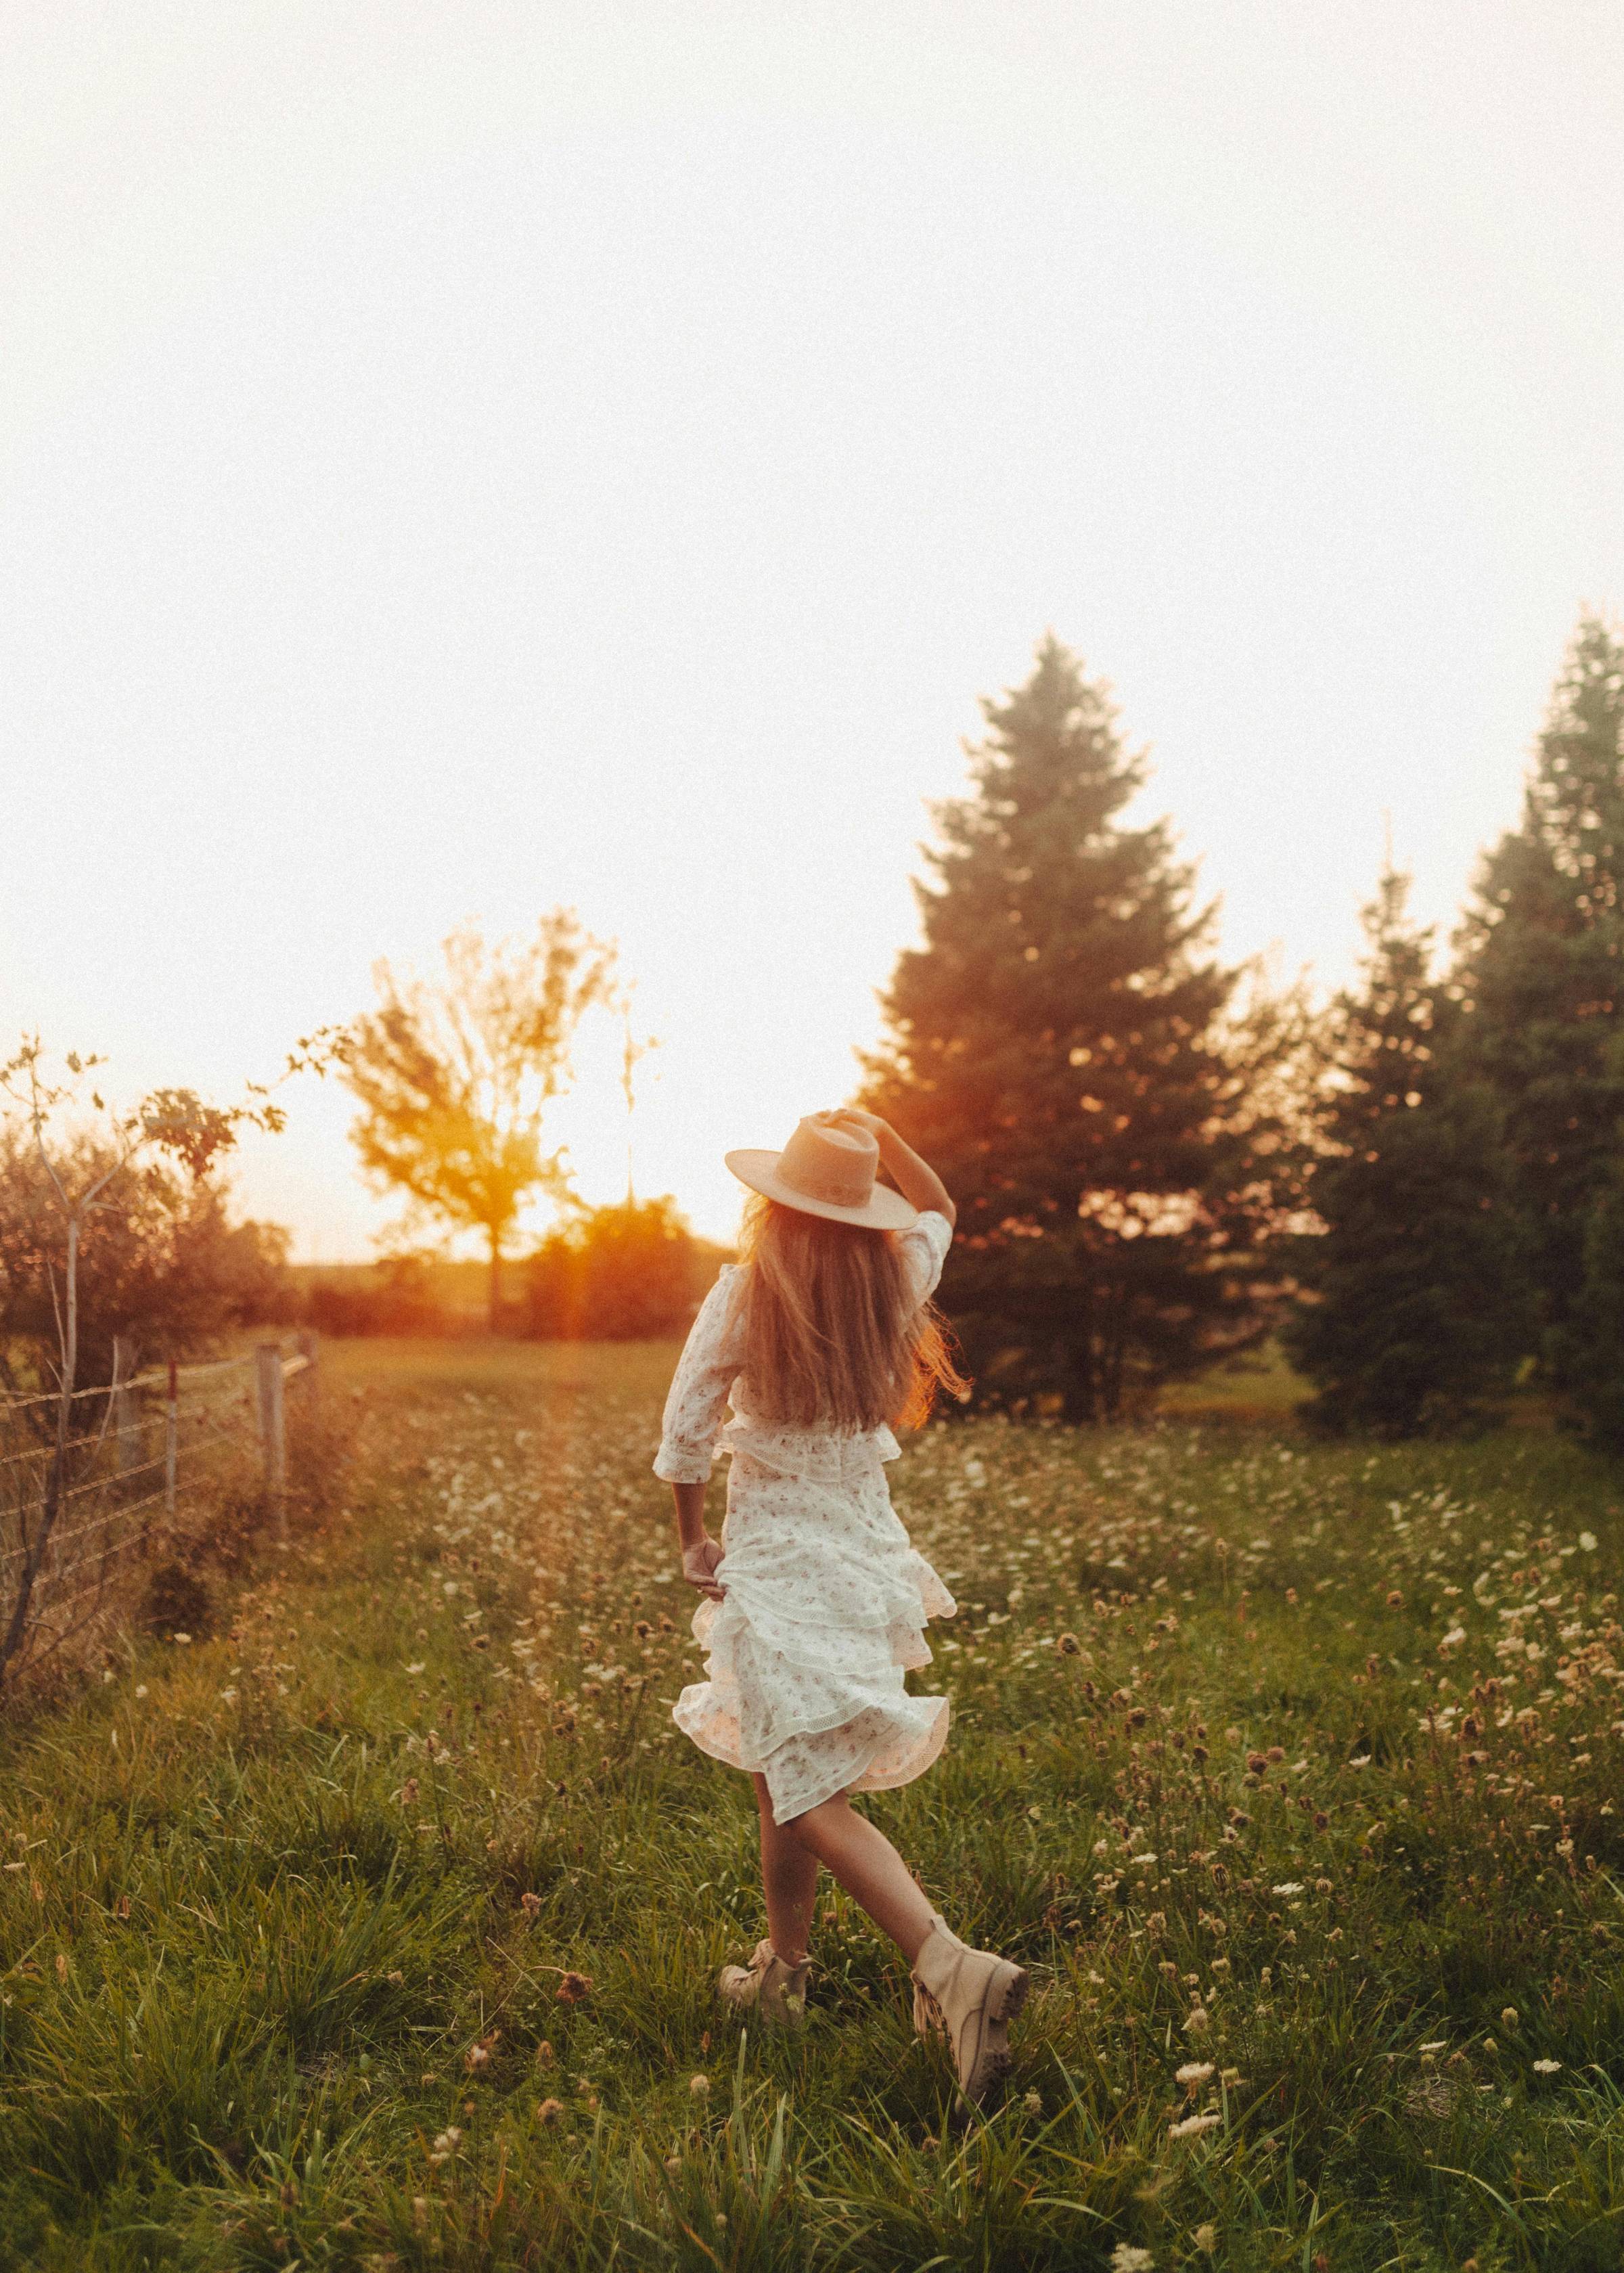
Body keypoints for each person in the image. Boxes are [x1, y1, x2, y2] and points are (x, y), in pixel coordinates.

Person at [654, 1106, 1028, 2104]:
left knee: (808, 1785)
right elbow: (941, 1206)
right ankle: (784, 1975)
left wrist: (693, 1537)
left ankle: (951, 1967)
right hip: (864, 1558)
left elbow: (686, 1430)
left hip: (776, 1563)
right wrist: (891, 1133)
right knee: (790, 1762)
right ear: (866, 1213)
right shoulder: (897, 1276)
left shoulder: (744, 1294)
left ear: (772, 1207)